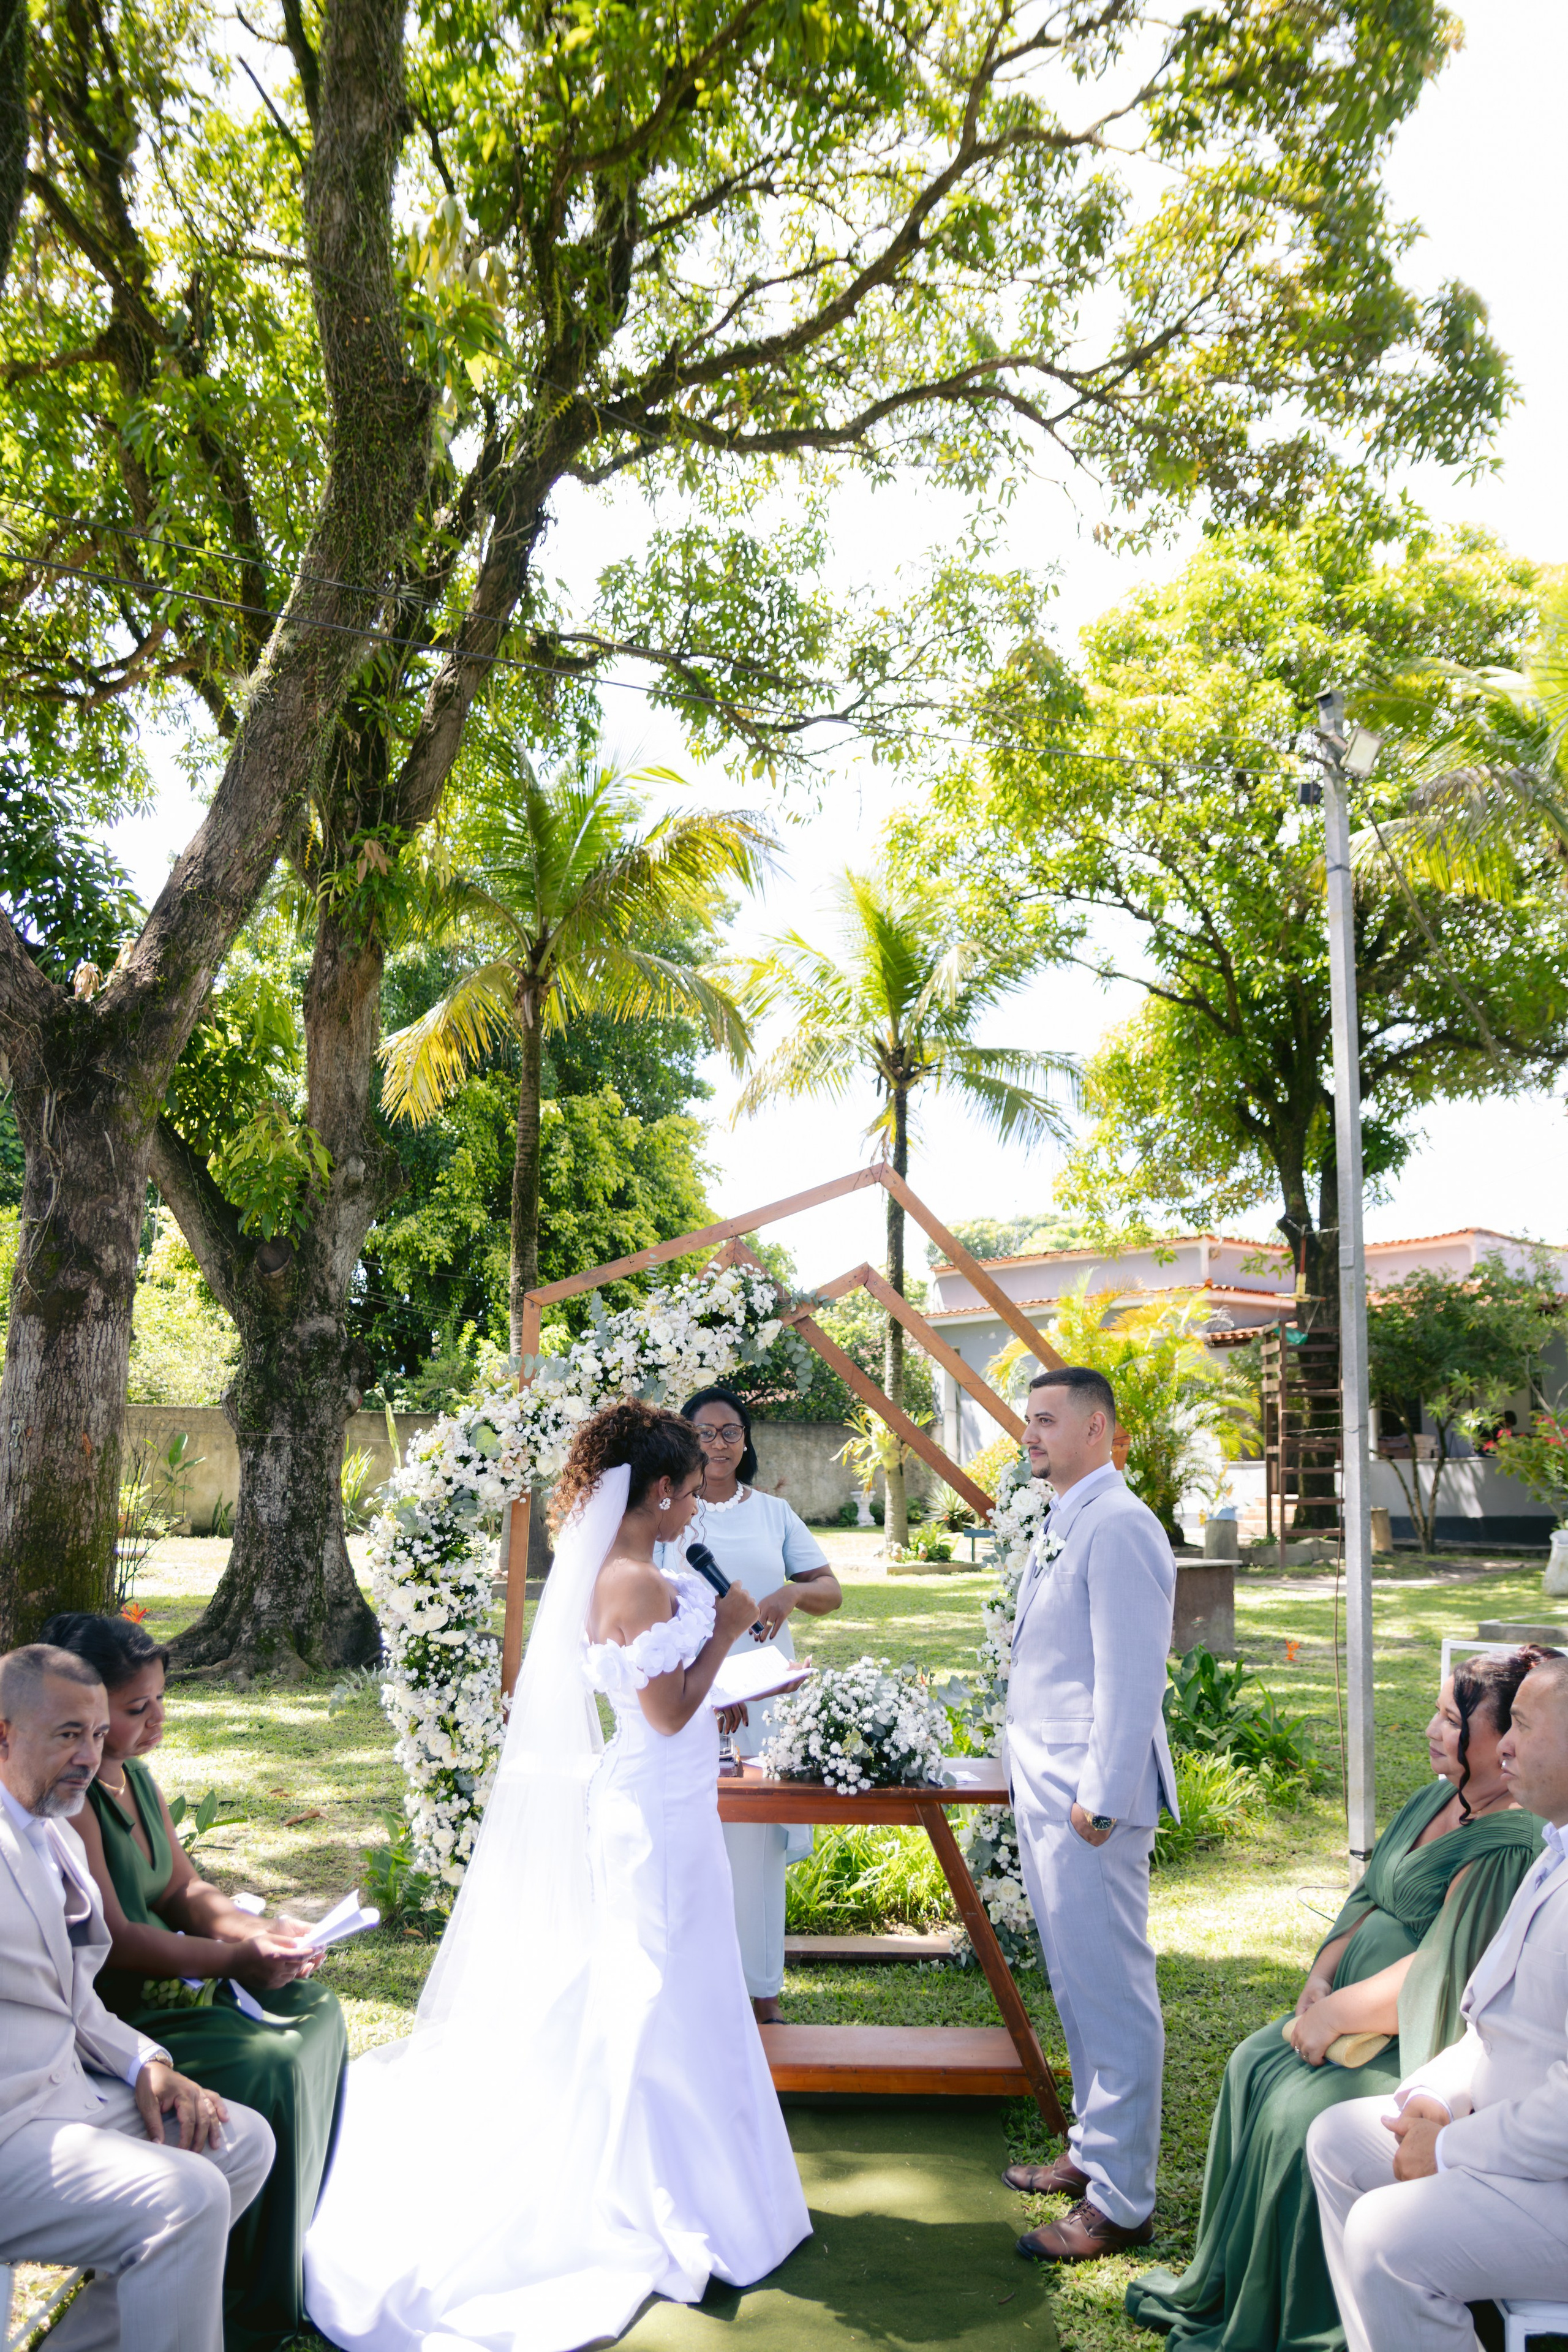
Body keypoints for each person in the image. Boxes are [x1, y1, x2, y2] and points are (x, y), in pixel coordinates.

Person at [304, 1398, 811, 2352]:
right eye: (687, 1492)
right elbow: (666, 1712)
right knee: (661, 1987)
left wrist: (716, 1682)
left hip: (662, 1798)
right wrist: (731, 1628)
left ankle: (699, 2170)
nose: (697, 1505)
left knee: (676, 1980)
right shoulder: (638, 1581)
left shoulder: (625, 1568)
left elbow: (664, 1699)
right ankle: (654, 2180)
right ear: (657, 1492)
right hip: (657, 1813)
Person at [1126, 1648, 1550, 2351]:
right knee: (1250, 2064)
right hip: (1348, 2006)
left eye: (1452, 1721)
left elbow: (1444, 1969)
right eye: (1437, 1713)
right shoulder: (1434, 1798)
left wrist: (1335, 2015)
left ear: (1502, 1738)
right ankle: (1235, 2287)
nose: (1432, 1731)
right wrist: (1320, 1976)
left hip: (1413, 2035)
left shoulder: (1512, 1843)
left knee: (1298, 2114)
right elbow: (1368, 1893)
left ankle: (1305, 2322)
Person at [39, 1611, 348, 2352]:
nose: (155, 1720)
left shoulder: (136, 1780)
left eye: (159, 1700)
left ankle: (292, 2258)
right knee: (267, 2062)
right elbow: (117, 1941)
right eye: (135, 1707)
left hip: (182, 1979)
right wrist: (232, 1962)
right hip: (121, 2017)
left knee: (318, 2011)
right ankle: (236, 2289)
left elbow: (184, 1890)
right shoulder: (72, 1803)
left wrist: (262, 1934)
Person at [0, 1643, 274, 2352]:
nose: (90, 1757)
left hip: (69, 2096)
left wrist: (145, 2062)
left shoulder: (55, 1833)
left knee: (239, 2141)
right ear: (4, 1733)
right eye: (69, 1735)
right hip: (8, 2129)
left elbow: (70, 1997)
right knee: (184, 2196)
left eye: (97, 1735)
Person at [1307, 1650, 1568, 2352]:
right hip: (1504, 2136)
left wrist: (1450, 2147)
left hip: (1552, 2178)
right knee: (1336, 2140)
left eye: (1523, 1727)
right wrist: (1433, 2098)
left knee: (1383, 2237)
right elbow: (1489, 2020)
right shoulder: (1555, 1848)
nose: (1504, 1747)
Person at [1002, 1365, 1178, 2263]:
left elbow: (1132, 1674)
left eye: (1045, 1420)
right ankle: (1091, 2148)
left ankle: (1123, 2201)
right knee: (1076, 1981)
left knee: (1111, 1988)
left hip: (1088, 1801)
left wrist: (1103, 1800)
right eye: (1027, 1419)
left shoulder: (1120, 1524)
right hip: (1049, 1787)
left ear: (1096, 1429)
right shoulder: (1067, 1516)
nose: (1028, 1434)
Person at [658, 1384, 843, 2022]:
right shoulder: (667, 1517)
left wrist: (790, 1594)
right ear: (685, 1441)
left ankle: (763, 1998)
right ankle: (697, 2001)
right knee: (693, 1846)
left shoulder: (773, 1513)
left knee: (757, 1854)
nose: (718, 1443)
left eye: (730, 1431)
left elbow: (830, 1590)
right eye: (705, 1433)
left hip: (766, 1700)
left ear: (746, 1441)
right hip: (690, 1698)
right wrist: (703, 1691)